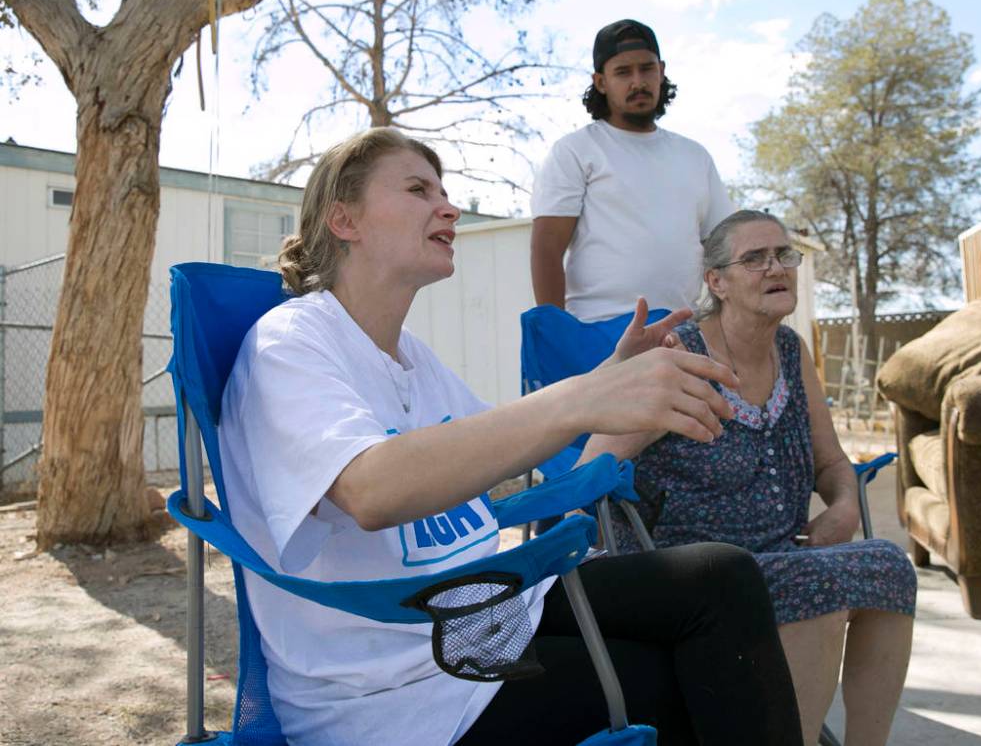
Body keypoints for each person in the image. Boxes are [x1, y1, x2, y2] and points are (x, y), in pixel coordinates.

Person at [218, 128, 802, 746]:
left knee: (720, 576)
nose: (449, 207)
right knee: (672, 680)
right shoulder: (291, 342)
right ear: (344, 219)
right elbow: (369, 488)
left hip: (478, 617)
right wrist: (579, 398)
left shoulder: (410, 356)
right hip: (392, 686)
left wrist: (607, 380)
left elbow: (503, 448)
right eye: (419, 190)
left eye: (445, 192)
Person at [614, 210, 918, 746]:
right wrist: (624, 385)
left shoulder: (791, 351)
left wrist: (845, 504)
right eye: (753, 259)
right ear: (717, 282)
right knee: (821, 588)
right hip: (698, 570)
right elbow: (597, 462)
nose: (774, 267)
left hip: (779, 553)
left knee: (891, 566)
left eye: (783, 255)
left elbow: (832, 463)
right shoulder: (677, 355)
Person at [530, 18, 734, 322]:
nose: (638, 82)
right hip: (598, 329)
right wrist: (558, 334)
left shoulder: (695, 156)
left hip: (682, 331)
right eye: (623, 72)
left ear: (661, 71)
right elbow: (546, 248)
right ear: (601, 82)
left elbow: (726, 249)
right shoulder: (576, 151)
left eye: (647, 69)